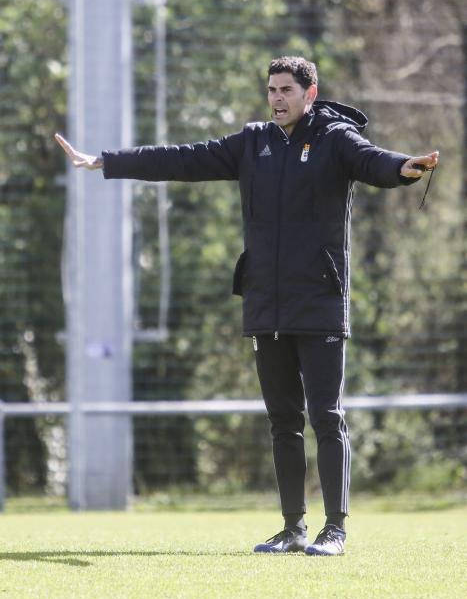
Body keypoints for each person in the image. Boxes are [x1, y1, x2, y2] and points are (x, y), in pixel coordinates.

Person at [55, 56, 439, 556]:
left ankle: (335, 530)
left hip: (320, 300)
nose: (277, 98)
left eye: (286, 89)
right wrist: (108, 161)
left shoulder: (335, 139)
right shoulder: (252, 141)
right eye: (271, 90)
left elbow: (372, 161)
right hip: (265, 303)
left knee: (326, 416)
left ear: (310, 93)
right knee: (283, 420)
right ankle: (293, 528)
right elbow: (184, 158)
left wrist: (403, 168)